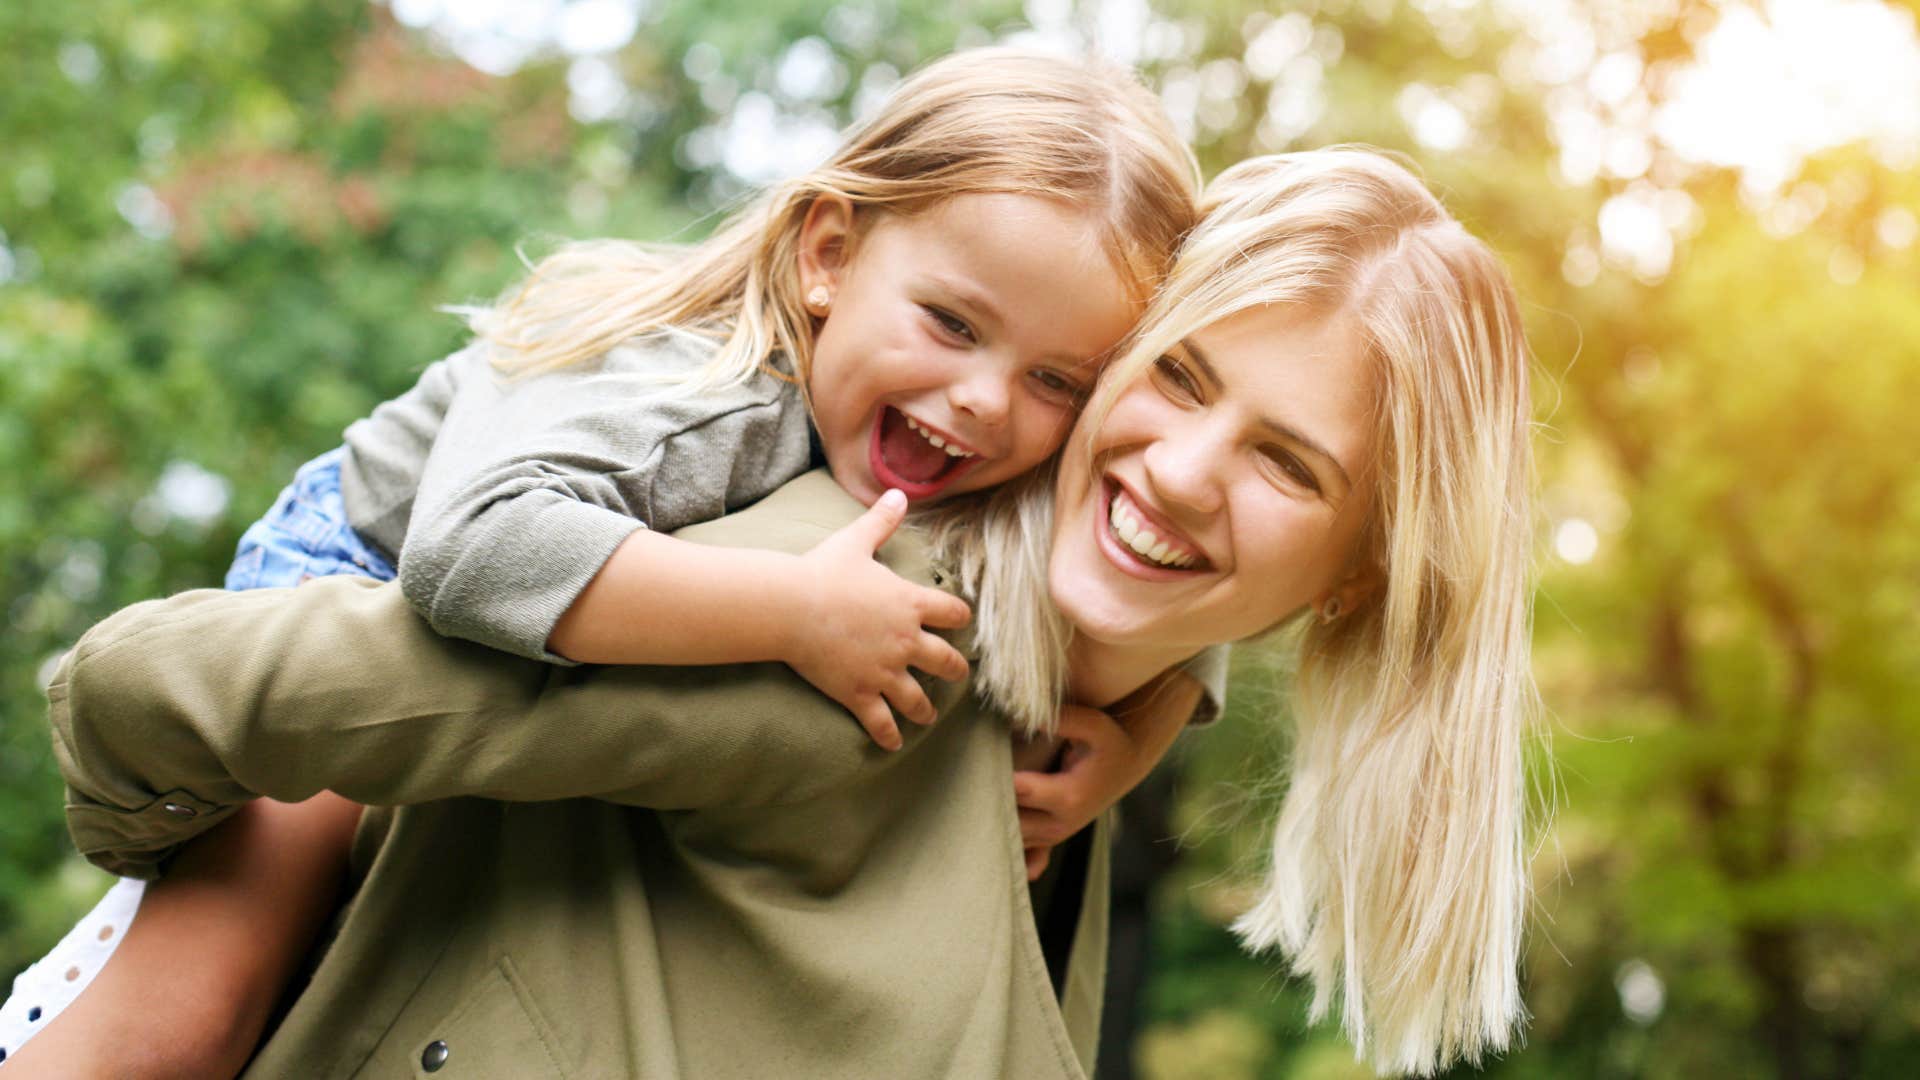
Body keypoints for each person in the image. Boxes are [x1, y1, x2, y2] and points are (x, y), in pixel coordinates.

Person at [20, 147, 1538, 1078]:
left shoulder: (1072, 733)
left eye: (1286, 463)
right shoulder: (844, 617)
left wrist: (1144, 725)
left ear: (1357, 576)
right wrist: (187, 839)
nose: (1185, 471)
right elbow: (164, 681)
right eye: (1183, 379)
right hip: (392, 543)